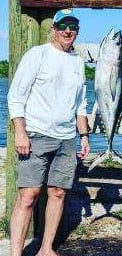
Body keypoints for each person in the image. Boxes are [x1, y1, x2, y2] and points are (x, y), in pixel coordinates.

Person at [7, 8, 90, 256]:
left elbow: (81, 104)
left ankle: (46, 249)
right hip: (36, 135)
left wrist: (84, 136)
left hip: (66, 138)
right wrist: (20, 133)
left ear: (76, 31)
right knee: (28, 195)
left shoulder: (78, 61)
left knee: (58, 193)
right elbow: (15, 97)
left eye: (72, 26)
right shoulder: (37, 54)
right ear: (53, 29)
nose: (68, 31)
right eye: (63, 26)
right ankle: (15, 253)